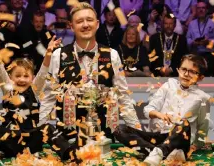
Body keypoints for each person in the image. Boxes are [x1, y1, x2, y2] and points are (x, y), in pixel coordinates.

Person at [39, 1, 141, 160]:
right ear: (71, 26)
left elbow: (124, 97)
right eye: (79, 21)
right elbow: (48, 98)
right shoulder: (58, 56)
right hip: (70, 144)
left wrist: (136, 132)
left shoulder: (112, 54)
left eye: (89, 20)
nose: (85, 25)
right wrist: (37, 133)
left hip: (105, 142)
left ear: (97, 24)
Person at [0, 36, 62, 166]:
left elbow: (43, 71)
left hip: (30, 143)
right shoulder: (8, 90)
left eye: (26, 76)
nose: (22, 79)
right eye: (17, 76)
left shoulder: (35, 90)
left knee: (48, 127)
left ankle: (70, 152)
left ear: (32, 78)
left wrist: (48, 52)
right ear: (10, 78)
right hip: (10, 142)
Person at [114, 54, 211, 166]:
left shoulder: (203, 98)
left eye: (192, 72)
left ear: (200, 77)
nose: (186, 74)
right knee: (120, 130)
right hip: (160, 137)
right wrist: (160, 115)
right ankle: (157, 151)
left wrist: (194, 147)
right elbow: (148, 110)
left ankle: (159, 153)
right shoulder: (168, 86)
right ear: (178, 70)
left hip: (180, 140)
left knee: (182, 123)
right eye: (184, 69)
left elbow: (203, 128)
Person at [186, 1, 214, 76]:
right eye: (199, 8)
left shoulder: (213, 23)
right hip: (196, 53)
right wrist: (193, 42)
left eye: (203, 8)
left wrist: (209, 42)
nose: (201, 10)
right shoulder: (192, 24)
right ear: (196, 10)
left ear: (207, 10)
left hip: (208, 53)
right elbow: (187, 39)